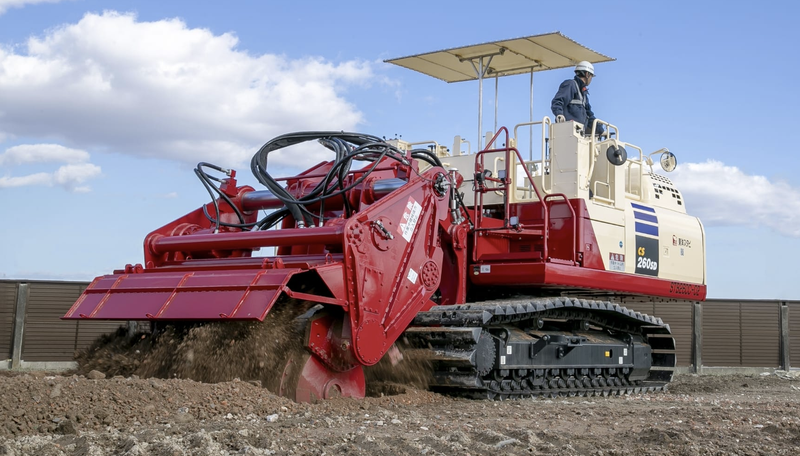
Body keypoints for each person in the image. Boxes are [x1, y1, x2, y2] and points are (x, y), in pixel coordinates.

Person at [551, 61, 605, 136]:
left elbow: (589, 116)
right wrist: (559, 114)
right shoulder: (570, 85)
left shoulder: (583, 94)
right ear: (587, 74)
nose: (591, 79)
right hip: (567, 133)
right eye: (591, 76)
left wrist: (600, 130)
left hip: (579, 134)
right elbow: (557, 101)